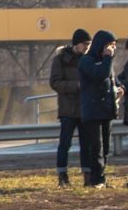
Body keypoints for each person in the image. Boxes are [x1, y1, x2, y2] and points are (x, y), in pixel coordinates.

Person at [77, 29, 123, 188]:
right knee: (96, 147)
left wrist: (119, 89)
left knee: (106, 148)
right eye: (110, 45)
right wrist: (108, 58)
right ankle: (95, 180)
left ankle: (102, 178)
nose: (112, 48)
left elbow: (112, 79)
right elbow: (100, 75)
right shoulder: (87, 61)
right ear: (100, 45)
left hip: (106, 111)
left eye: (114, 45)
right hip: (92, 110)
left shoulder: (106, 62)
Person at [50, 28, 90, 187]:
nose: (87, 47)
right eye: (84, 44)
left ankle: (87, 175)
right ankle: (62, 175)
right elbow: (55, 83)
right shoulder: (60, 59)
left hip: (85, 108)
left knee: (86, 145)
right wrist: (76, 86)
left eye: (88, 44)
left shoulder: (88, 59)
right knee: (65, 144)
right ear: (76, 44)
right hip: (68, 109)